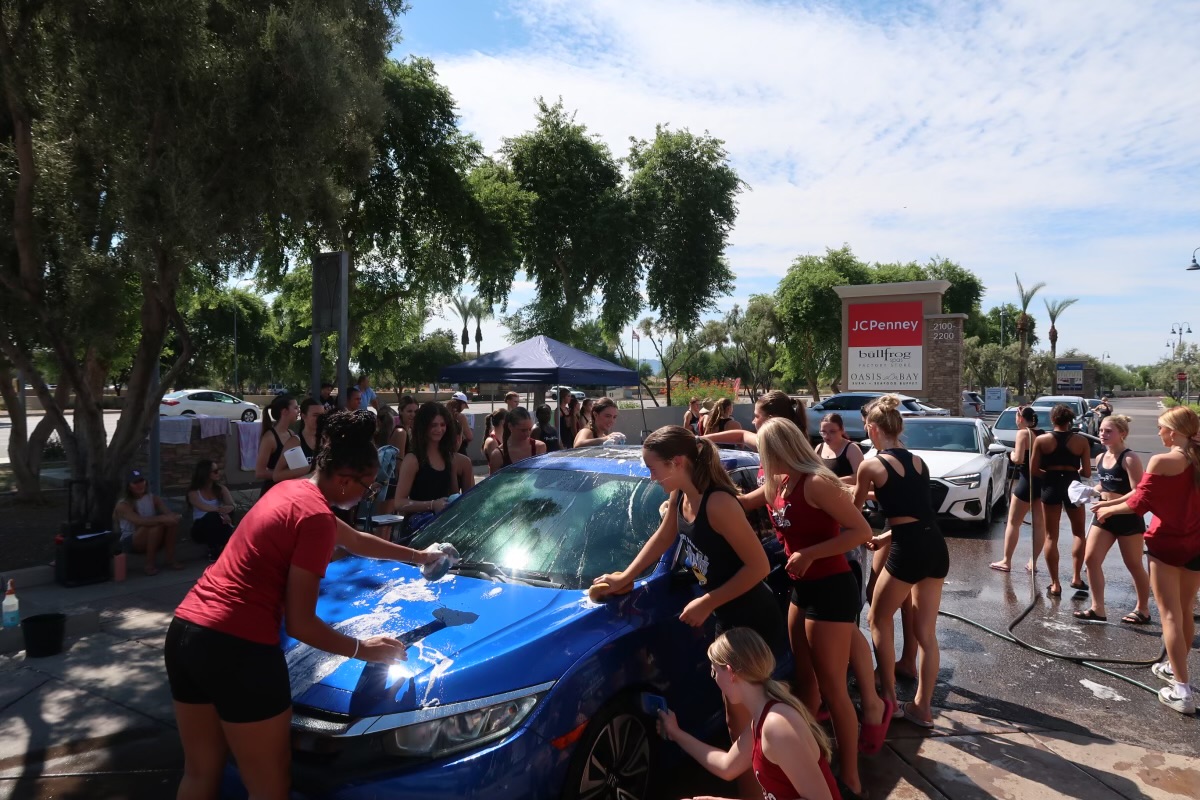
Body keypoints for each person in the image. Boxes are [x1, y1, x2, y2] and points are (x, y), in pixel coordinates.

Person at [166, 411, 448, 798]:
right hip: (237, 648)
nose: (367, 495)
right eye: (368, 488)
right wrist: (363, 649)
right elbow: (300, 623)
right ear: (345, 480)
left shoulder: (293, 492)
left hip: (186, 634)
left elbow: (355, 540)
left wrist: (419, 557)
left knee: (200, 772)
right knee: (270, 785)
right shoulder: (314, 517)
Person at [592, 426, 784, 799]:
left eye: (653, 468)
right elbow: (664, 538)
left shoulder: (719, 504)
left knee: (754, 721)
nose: (650, 477)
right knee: (736, 721)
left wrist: (708, 601)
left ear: (677, 462)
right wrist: (626, 577)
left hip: (752, 621)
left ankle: (765, 788)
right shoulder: (681, 495)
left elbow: (759, 566)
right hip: (727, 619)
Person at [742, 418, 889, 797]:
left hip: (832, 589)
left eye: (765, 452)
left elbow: (861, 533)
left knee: (833, 688)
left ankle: (851, 775)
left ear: (780, 449)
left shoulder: (817, 482)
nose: (762, 459)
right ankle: (811, 762)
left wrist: (809, 553)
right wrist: (683, 497)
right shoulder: (777, 482)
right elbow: (740, 503)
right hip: (801, 589)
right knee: (805, 683)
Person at [1094, 406, 1200, 714]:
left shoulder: (1163, 460)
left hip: (1167, 543)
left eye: (1161, 428)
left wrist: (1106, 509)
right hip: (1196, 543)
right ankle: (1174, 668)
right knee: (1185, 610)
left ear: (1175, 431)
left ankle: (1182, 690)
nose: (1159, 434)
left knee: (1169, 615)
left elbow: (1140, 501)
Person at [658, 628, 839, 800]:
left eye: (714, 672)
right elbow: (726, 766)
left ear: (730, 673)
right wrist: (675, 733)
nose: (714, 679)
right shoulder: (762, 720)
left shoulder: (776, 726)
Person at [854, 395, 948, 728]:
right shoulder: (919, 462)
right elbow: (914, 511)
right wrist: (883, 538)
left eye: (867, 426)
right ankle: (922, 707)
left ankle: (890, 701)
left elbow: (854, 513)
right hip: (934, 546)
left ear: (874, 428)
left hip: (907, 549)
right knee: (926, 633)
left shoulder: (870, 465)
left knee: (879, 617)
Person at [1075, 415, 1148, 623]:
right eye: (1101, 431)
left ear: (1122, 434)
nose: (1103, 435)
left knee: (1134, 564)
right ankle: (1097, 608)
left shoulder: (1130, 458)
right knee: (1091, 560)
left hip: (1127, 516)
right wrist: (1087, 491)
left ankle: (1143, 609)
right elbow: (1105, 486)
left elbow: (1137, 492)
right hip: (1104, 516)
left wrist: (1108, 505)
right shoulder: (1100, 458)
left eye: (1108, 431)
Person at [1031, 404, 1092, 597]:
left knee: (1051, 536)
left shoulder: (1042, 440)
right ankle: (1076, 577)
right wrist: (1073, 473)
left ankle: (1055, 584)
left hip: (1050, 485)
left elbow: (1033, 470)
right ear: (1070, 420)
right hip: (1073, 485)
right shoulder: (1081, 441)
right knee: (1079, 533)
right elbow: (1088, 472)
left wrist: (1050, 474)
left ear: (1052, 420)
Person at [394, 402, 475, 538]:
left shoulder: (451, 459)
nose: (439, 429)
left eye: (442, 425)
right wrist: (432, 505)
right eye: (434, 425)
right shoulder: (413, 459)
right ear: (423, 427)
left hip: (445, 529)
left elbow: (460, 497)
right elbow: (399, 503)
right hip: (417, 533)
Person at [990, 406, 1046, 574]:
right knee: (1039, 525)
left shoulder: (1023, 433)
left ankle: (1006, 561)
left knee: (1014, 522)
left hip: (1026, 482)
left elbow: (1019, 458)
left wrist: (1012, 454)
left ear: (1020, 418)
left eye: (1016, 417)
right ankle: (1033, 562)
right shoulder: (1042, 433)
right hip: (1041, 483)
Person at [115, 469, 183, 575]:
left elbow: (168, 513)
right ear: (129, 486)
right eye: (135, 483)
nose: (139, 485)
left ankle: (170, 559)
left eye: (141, 481)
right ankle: (149, 564)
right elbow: (140, 522)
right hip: (131, 540)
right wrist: (162, 518)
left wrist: (174, 517)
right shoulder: (123, 504)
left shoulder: (153, 498)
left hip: (152, 536)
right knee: (155, 526)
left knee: (171, 523)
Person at [187, 460, 235, 562]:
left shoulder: (221, 489)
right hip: (201, 529)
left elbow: (232, 505)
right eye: (215, 471)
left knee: (228, 513)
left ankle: (226, 546)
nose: (219, 473)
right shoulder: (194, 492)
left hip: (218, 523)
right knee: (211, 516)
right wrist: (222, 512)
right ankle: (213, 549)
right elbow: (204, 508)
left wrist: (229, 509)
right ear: (205, 474)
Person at [255, 394, 298, 499]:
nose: (299, 411)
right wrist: (284, 474)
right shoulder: (269, 438)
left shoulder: (291, 434)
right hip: (273, 493)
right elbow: (260, 472)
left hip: (289, 491)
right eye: (296, 408)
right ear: (284, 412)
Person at [273, 398, 324, 484]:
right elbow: (277, 475)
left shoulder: (327, 439)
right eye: (315, 415)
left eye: (322, 415)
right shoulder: (295, 442)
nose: (320, 419)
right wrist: (311, 468)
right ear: (303, 416)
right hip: (302, 492)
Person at [488, 407, 547, 474]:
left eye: (529, 429)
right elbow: (493, 483)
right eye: (523, 430)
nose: (527, 434)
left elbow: (542, 476)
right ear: (510, 426)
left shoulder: (539, 447)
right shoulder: (498, 455)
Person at [815, 413, 863, 486]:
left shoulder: (851, 448)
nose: (827, 436)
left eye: (832, 432)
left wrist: (832, 481)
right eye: (823, 432)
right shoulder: (819, 447)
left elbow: (860, 476)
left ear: (842, 430)